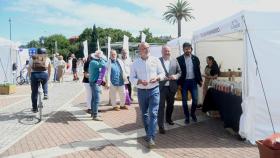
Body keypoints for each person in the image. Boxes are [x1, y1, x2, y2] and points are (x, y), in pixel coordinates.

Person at [130, 42, 165, 148]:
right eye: (144, 48)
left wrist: (157, 78)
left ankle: (151, 138)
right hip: (141, 92)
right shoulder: (135, 63)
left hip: (154, 90)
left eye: (147, 48)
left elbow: (162, 73)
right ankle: (148, 133)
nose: (146, 49)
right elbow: (131, 78)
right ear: (139, 50)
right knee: (144, 114)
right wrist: (139, 81)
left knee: (153, 113)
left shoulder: (156, 60)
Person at [177, 42, 202, 124]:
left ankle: (192, 113)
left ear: (191, 49)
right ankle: (187, 116)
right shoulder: (179, 59)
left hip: (193, 81)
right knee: (184, 101)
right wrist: (178, 84)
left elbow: (198, 70)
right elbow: (177, 72)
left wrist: (200, 80)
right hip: (184, 82)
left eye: (189, 49)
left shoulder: (195, 58)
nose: (188, 50)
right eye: (186, 49)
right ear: (183, 49)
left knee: (195, 100)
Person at [158, 45, 181, 134]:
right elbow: (154, 73)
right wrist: (161, 77)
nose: (167, 53)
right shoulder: (158, 61)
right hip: (162, 87)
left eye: (168, 51)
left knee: (170, 105)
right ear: (162, 52)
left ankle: (168, 119)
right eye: (165, 51)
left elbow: (180, 72)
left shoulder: (175, 61)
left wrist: (175, 76)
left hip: (172, 87)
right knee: (161, 106)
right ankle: (161, 125)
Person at [28, 48, 51, 113]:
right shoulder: (47, 58)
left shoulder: (32, 58)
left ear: (37, 52)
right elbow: (49, 68)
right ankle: (46, 93)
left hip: (34, 75)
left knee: (34, 92)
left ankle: (34, 108)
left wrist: (30, 77)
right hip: (44, 74)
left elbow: (29, 68)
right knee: (45, 82)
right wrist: (48, 76)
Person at [88, 50, 106, 121]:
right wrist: (101, 58)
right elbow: (104, 65)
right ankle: (95, 115)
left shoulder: (93, 62)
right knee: (97, 99)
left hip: (95, 82)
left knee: (93, 98)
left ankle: (93, 113)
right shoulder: (94, 62)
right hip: (95, 82)